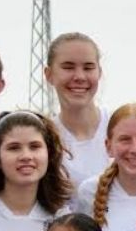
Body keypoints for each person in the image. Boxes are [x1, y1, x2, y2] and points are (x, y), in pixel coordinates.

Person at [43, 33, 112, 185]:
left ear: (99, 73)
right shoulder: (43, 138)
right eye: (68, 67)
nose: (79, 76)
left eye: (88, 68)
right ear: (49, 75)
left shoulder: (119, 125)